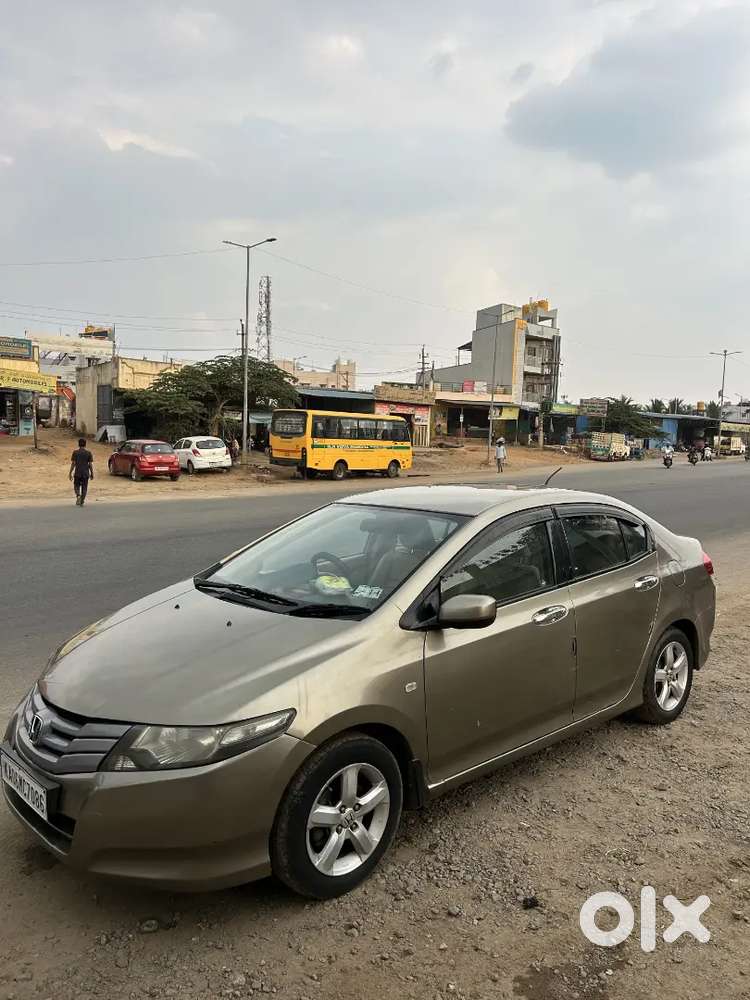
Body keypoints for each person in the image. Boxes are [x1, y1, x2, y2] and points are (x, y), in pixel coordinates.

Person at [69, 437, 94, 506]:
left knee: (76, 485)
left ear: (78, 444)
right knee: (84, 487)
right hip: (85, 473)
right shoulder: (88, 453)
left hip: (77, 472)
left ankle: (78, 495)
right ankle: (82, 500)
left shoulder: (75, 452)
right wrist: (92, 473)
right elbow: (90, 464)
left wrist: (70, 473)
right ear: (85, 445)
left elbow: (73, 463)